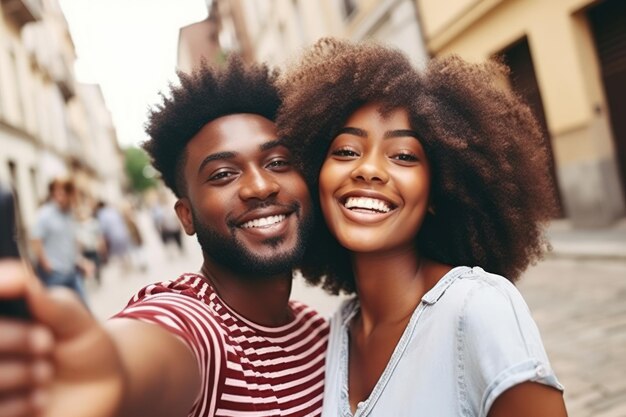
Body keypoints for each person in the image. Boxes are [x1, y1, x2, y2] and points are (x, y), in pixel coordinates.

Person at [0, 56, 328, 417]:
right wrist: (102, 373)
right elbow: (147, 350)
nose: (260, 186)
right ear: (186, 216)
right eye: (222, 174)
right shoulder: (196, 324)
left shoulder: (319, 331)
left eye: (278, 163)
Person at [278, 38, 568, 416]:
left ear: (438, 190)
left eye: (403, 156)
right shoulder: (339, 330)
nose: (368, 169)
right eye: (347, 151)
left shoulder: (477, 309)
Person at [30, 178, 88, 303]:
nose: (59, 196)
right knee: (63, 313)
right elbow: (35, 240)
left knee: (84, 309)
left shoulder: (69, 214)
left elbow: (70, 240)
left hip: (71, 270)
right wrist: (46, 264)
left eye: (63, 192)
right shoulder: (45, 214)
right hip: (54, 274)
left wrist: (80, 260)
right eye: (56, 192)